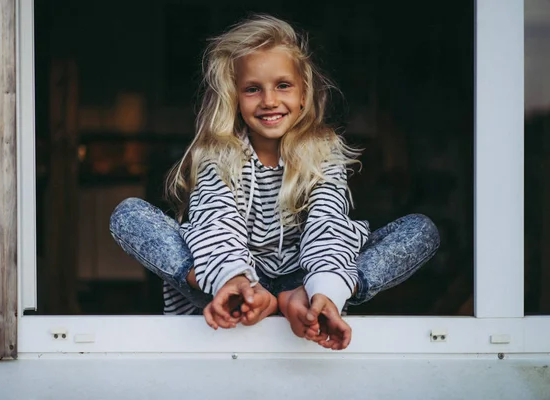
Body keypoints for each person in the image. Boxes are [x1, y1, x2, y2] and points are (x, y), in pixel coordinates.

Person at [110, 14, 440, 351]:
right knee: (129, 215)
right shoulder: (217, 155)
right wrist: (235, 280)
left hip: (303, 281)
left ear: (303, 93)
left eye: (283, 85)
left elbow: (327, 225)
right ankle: (244, 296)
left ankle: (308, 299)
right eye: (253, 89)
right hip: (227, 277)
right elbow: (216, 223)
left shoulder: (323, 153)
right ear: (235, 99)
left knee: (420, 230)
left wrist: (324, 288)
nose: (269, 100)